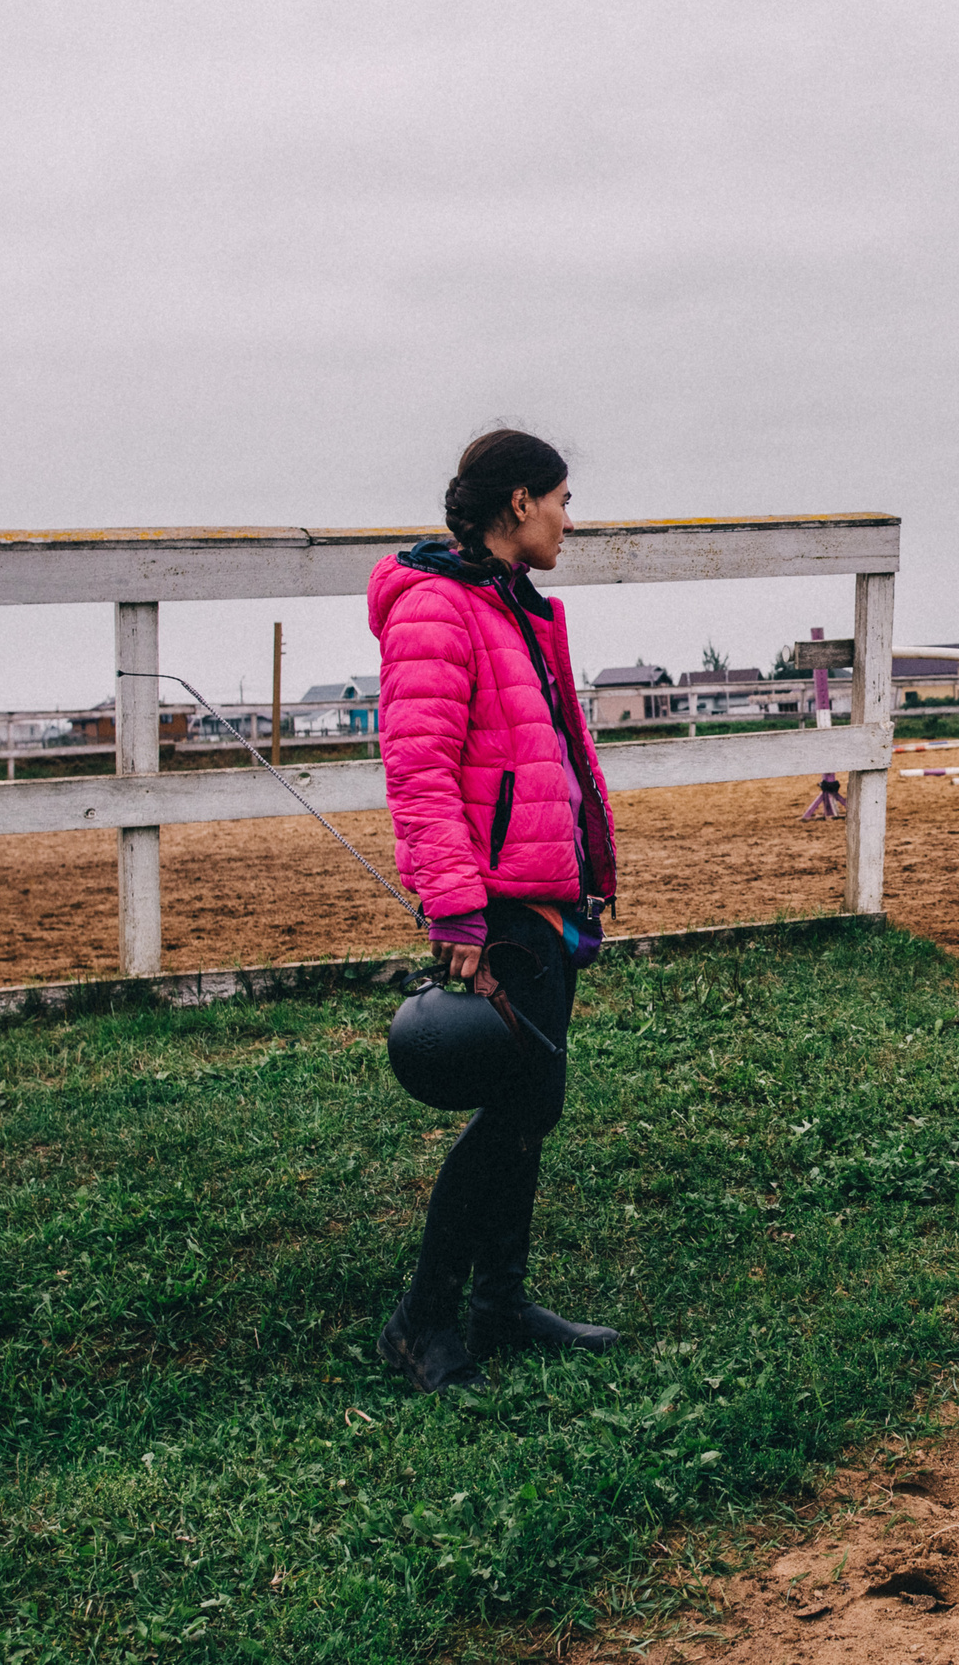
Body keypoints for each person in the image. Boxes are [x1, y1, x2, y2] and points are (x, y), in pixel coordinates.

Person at [365, 428, 622, 1393]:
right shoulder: (437, 608)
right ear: (519, 502)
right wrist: (458, 913)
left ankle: (500, 1303)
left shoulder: (510, 605)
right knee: (516, 1103)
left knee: (533, 1104)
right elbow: (420, 771)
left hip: (543, 894)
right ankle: (421, 1320)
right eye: (562, 499)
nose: (569, 519)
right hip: (496, 899)